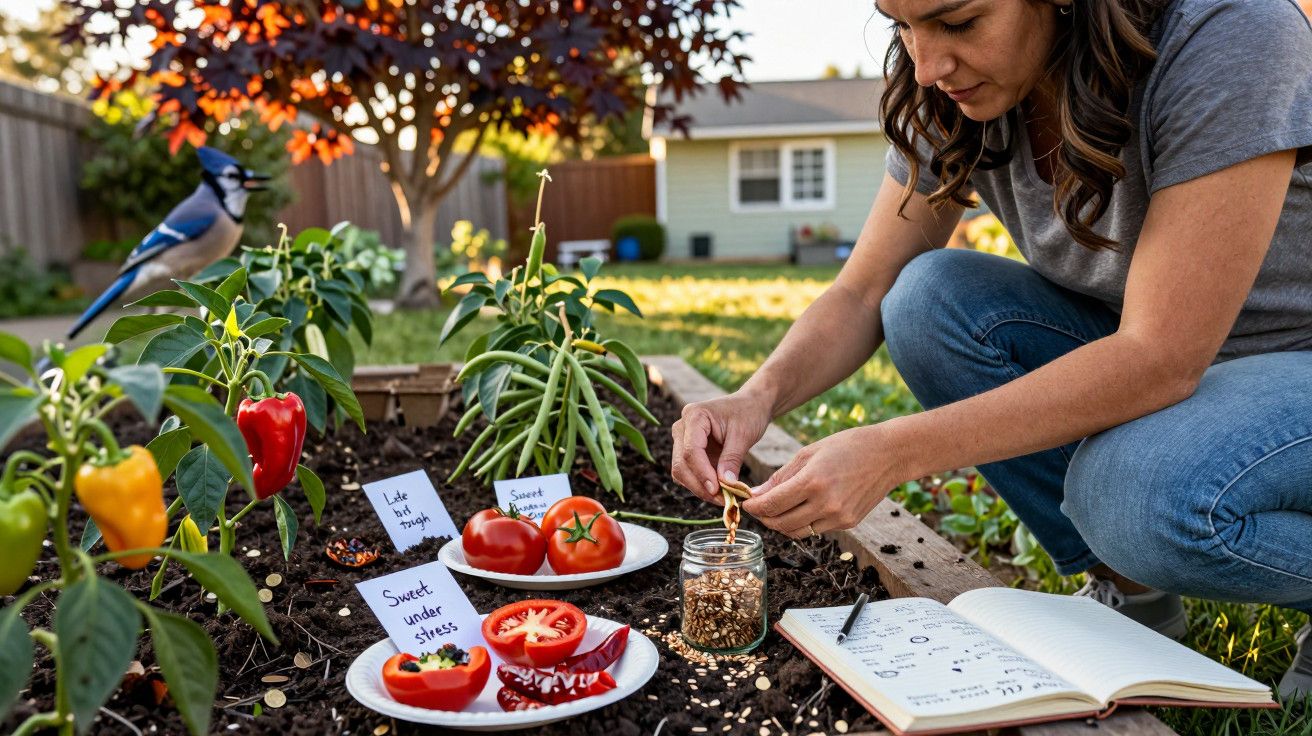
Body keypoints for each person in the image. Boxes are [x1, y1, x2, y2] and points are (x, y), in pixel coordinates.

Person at [670, 0, 1312, 698]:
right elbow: (862, 292)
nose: (926, 64)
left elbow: (1162, 354)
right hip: (1158, 349)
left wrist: (891, 451)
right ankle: (1140, 605)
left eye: (959, 21)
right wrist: (752, 398)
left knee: (1132, 494)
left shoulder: (1230, 32)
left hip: (1287, 360)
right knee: (927, 298)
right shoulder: (951, 87)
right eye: (901, 25)